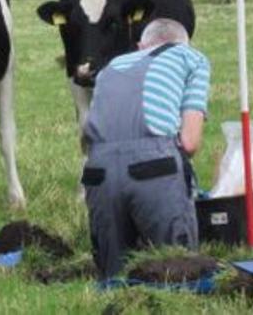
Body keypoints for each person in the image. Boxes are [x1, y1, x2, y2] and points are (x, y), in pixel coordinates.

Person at [81, 18, 211, 279]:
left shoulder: (110, 68)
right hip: (154, 168)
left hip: (97, 171)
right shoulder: (192, 59)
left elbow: (86, 138)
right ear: (184, 43)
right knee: (177, 270)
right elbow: (190, 142)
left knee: (113, 277)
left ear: (141, 46)